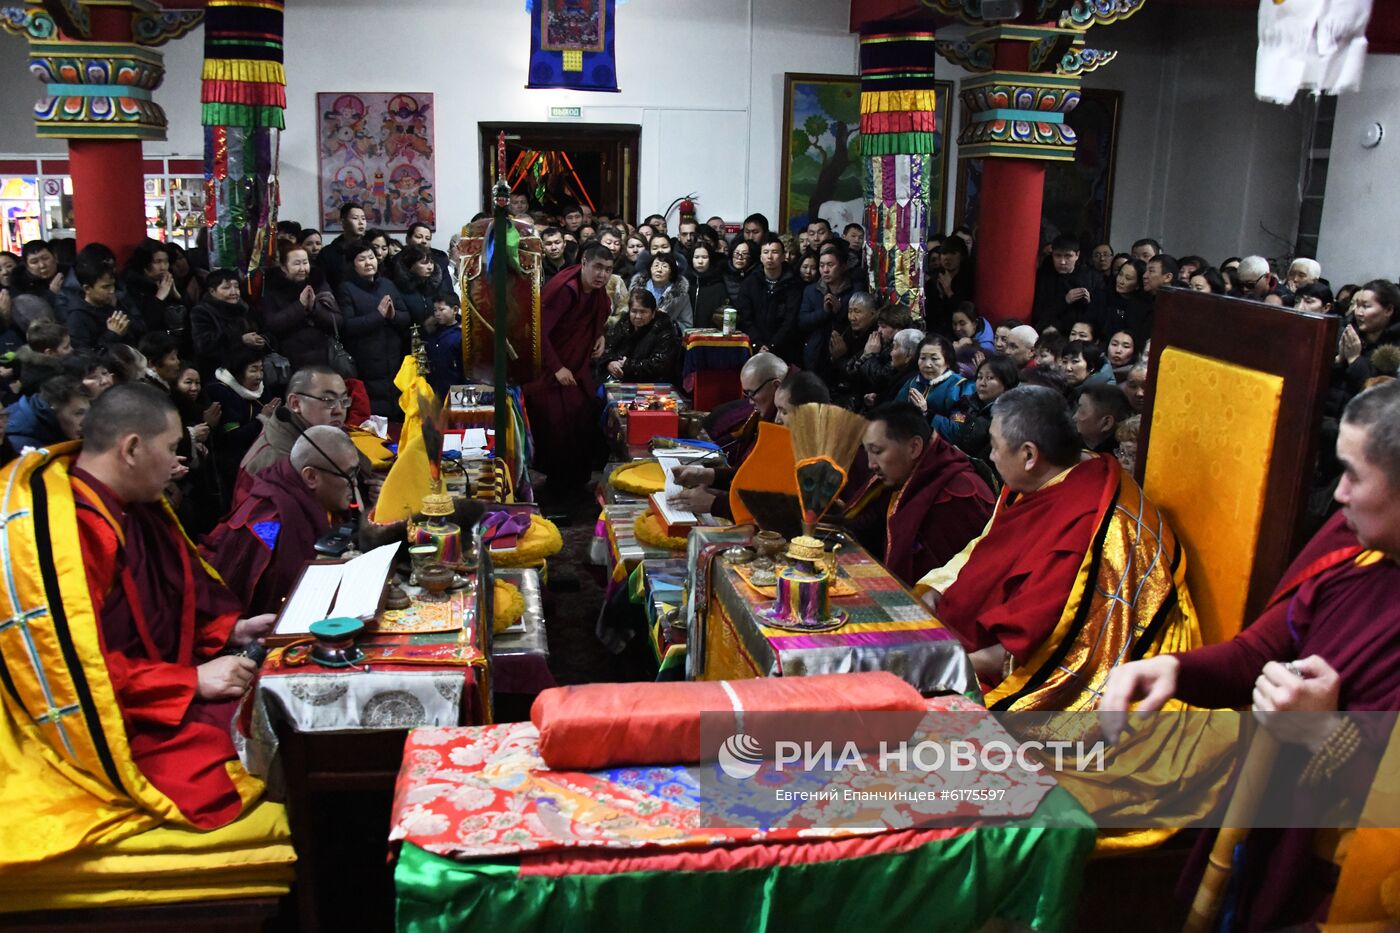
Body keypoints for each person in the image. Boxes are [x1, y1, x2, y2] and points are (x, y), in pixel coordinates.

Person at [1099, 381, 1400, 930]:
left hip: (1346, 886)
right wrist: (1176, 668)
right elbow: (1265, 648)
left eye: (1354, 474)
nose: (1338, 495)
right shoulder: (1353, 544)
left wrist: (1325, 736)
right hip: (1270, 822)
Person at [59, 385, 272, 832]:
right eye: (173, 448)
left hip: (156, 686)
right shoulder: (69, 530)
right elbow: (68, 668)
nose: (182, 463)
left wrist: (230, 633)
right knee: (252, 750)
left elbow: (170, 598)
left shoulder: (130, 508)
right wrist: (189, 681)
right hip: (117, 722)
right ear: (132, 448)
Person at [918, 385, 1199, 709]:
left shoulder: (1087, 528)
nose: (991, 456)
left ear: (1028, 455)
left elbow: (1028, 649)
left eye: (994, 447)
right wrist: (938, 591)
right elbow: (987, 546)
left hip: (1025, 664)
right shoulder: (1049, 476)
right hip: (966, 632)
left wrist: (949, 664)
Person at [203, 425, 360, 615]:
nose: (355, 483)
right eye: (349, 475)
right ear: (311, 476)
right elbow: (250, 596)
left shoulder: (318, 498)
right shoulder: (267, 523)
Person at [841, 402, 994, 587]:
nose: (871, 465)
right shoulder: (904, 477)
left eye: (878, 451)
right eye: (868, 453)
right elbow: (865, 525)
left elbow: (957, 581)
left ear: (914, 447)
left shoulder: (960, 493)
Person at [524, 244, 614, 503]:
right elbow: (538, 332)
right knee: (558, 432)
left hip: (576, 369)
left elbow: (598, 317)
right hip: (551, 373)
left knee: (581, 425)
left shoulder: (595, 292)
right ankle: (557, 491)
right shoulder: (567, 290)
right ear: (584, 263)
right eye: (597, 267)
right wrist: (557, 367)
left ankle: (576, 485)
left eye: (608, 270)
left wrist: (600, 336)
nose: (602, 275)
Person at [670, 353, 789, 516]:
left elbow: (779, 505)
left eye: (751, 394)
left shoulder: (796, 429)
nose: (750, 402)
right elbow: (754, 475)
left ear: (776, 386)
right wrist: (706, 475)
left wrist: (716, 504)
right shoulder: (778, 413)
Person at [335, 238, 408, 416]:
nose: (369, 263)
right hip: (366, 360)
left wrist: (393, 316)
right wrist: (378, 316)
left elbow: (406, 317)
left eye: (371, 257)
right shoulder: (347, 288)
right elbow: (348, 325)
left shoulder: (387, 284)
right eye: (362, 259)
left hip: (392, 358)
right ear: (353, 265)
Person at [261, 242, 343, 372]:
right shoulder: (272, 288)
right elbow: (272, 324)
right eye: (296, 264)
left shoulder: (318, 283)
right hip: (288, 359)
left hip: (323, 355)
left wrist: (314, 307)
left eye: (305, 263)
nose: (302, 268)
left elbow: (336, 321)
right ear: (283, 267)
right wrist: (300, 306)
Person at [734, 233, 801, 360]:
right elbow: (745, 317)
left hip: (784, 349)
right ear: (760, 257)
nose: (770, 257)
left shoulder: (793, 283)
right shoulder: (750, 283)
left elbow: (790, 320)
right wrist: (758, 344)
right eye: (766, 252)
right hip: (754, 348)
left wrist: (772, 345)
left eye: (775, 252)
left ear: (782, 257)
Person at [190, 269, 265, 380]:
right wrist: (240, 340)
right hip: (219, 373)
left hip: (250, 371)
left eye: (236, 287)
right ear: (212, 291)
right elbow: (204, 344)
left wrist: (261, 340)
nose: (234, 292)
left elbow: (263, 330)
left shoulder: (244, 308)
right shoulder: (201, 312)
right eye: (226, 288)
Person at [596, 288, 680, 384]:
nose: (638, 316)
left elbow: (660, 365)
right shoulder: (624, 323)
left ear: (653, 313)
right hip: (619, 379)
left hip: (653, 383)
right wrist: (609, 363)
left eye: (643, 312)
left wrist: (627, 365)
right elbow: (607, 348)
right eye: (634, 311)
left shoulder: (664, 329)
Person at [798, 241, 855, 374]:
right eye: (822, 265)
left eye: (830, 265)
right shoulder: (811, 291)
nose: (825, 270)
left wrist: (839, 311)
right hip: (815, 356)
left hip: (843, 355)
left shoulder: (852, 291)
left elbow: (856, 324)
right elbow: (802, 321)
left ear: (842, 267)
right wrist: (825, 312)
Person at [951, 353, 1019, 464]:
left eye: (990, 378)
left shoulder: (1008, 418)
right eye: (979, 377)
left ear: (1007, 382)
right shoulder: (972, 406)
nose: (982, 383)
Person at [901, 335, 974, 437]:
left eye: (934, 359)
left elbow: (957, 430)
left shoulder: (961, 387)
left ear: (947, 362)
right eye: (922, 358)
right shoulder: (913, 382)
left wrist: (927, 413)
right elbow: (894, 411)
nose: (927, 364)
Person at [1033, 234, 1105, 335]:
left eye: (1068, 256)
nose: (1062, 262)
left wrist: (1089, 302)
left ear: (1077, 255)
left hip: (1082, 334)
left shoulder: (1092, 277)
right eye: (1058, 256)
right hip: (1050, 332)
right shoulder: (1043, 277)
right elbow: (1038, 312)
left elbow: (1101, 313)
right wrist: (1065, 300)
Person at [67, 258, 144, 352]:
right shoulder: (77, 316)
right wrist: (113, 334)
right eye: (105, 287)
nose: (112, 291)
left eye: (113, 285)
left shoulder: (113, 303)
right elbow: (84, 355)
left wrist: (117, 308)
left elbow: (141, 329)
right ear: (87, 288)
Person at [5, 373, 90, 451]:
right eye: (78, 413)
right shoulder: (19, 445)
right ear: (53, 407)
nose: (86, 422)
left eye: (89, 412)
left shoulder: (49, 427)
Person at [393, 244, 458, 328]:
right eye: (424, 263)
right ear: (410, 265)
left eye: (431, 262)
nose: (430, 267)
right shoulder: (399, 288)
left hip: (438, 334)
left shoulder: (437, 284)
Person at [630, 250, 693, 330]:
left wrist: (667, 322)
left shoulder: (681, 296)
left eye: (664, 266)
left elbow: (687, 326)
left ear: (671, 272)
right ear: (650, 269)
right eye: (656, 265)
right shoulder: (636, 291)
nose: (659, 270)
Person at [1073, 380, 1134, 453]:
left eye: (1081, 411)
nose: (1074, 417)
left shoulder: (1121, 459)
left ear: (1106, 423)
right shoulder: (1072, 446)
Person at [320, 202, 369, 288]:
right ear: (342, 222)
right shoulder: (329, 252)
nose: (361, 222)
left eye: (363, 218)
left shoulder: (370, 249)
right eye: (355, 218)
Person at [686, 243, 729, 328]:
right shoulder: (685, 284)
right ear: (691, 259)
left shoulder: (718, 286)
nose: (700, 261)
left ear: (711, 259)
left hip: (711, 336)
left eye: (705, 257)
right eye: (696, 257)